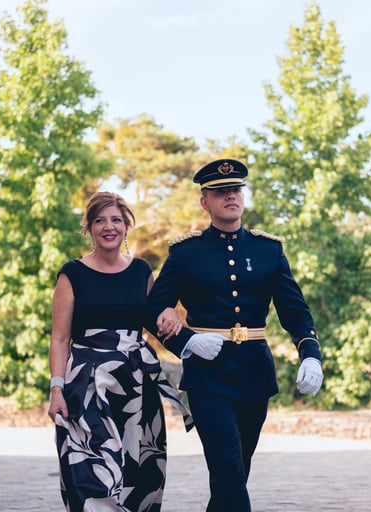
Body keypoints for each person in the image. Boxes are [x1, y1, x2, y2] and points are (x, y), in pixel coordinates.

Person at [147, 158, 324, 512]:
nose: (231, 196)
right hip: (208, 376)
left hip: (255, 373)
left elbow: (295, 311)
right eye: (221, 192)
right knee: (228, 468)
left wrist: (311, 355)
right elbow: (152, 310)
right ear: (205, 202)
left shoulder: (268, 250)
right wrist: (186, 342)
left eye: (236, 190)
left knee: (235, 473)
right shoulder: (185, 253)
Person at [47, 191, 192, 512]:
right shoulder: (72, 274)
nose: (108, 226)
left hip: (136, 385)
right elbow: (59, 338)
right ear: (89, 228)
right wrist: (56, 390)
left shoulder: (141, 271)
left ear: (127, 226)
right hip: (87, 385)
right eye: (100, 220)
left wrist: (171, 312)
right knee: (91, 471)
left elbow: (156, 321)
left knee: (140, 472)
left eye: (116, 220)